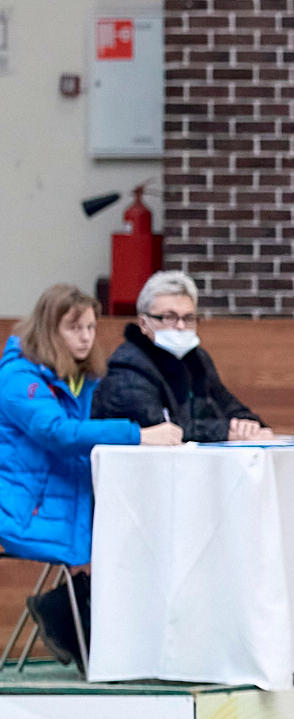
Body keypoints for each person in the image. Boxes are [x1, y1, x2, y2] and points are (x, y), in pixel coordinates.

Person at [0, 285, 182, 665]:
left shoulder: (83, 377)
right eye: (74, 328)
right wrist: (138, 435)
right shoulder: (19, 378)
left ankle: (119, 645)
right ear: (50, 330)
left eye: (90, 327)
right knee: (120, 550)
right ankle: (90, 640)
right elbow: (58, 433)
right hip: (23, 510)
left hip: (72, 499)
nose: (85, 337)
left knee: (147, 538)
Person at [93, 270, 273, 442]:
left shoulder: (198, 359)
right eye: (169, 317)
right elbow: (159, 430)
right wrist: (226, 431)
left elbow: (226, 403)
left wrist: (249, 425)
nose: (180, 326)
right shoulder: (128, 365)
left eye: (188, 318)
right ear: (143, 323)